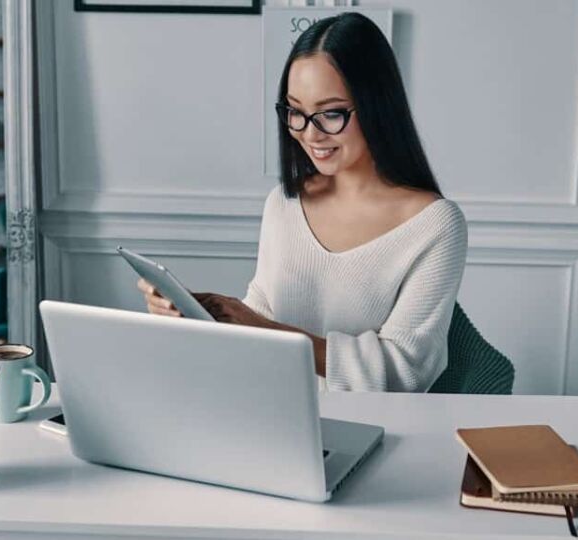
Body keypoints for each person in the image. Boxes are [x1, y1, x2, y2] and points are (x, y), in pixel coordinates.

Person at [137, 12, 467, 392]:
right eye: (295, 111)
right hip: (267, 408)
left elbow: (404, 372)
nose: (309, 134)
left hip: (371, 428)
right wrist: (198, 314)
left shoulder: (435, 225)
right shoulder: (284, 202)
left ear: (379, 106)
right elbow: (259, 312)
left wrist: (262, 328)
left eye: (330, 113)